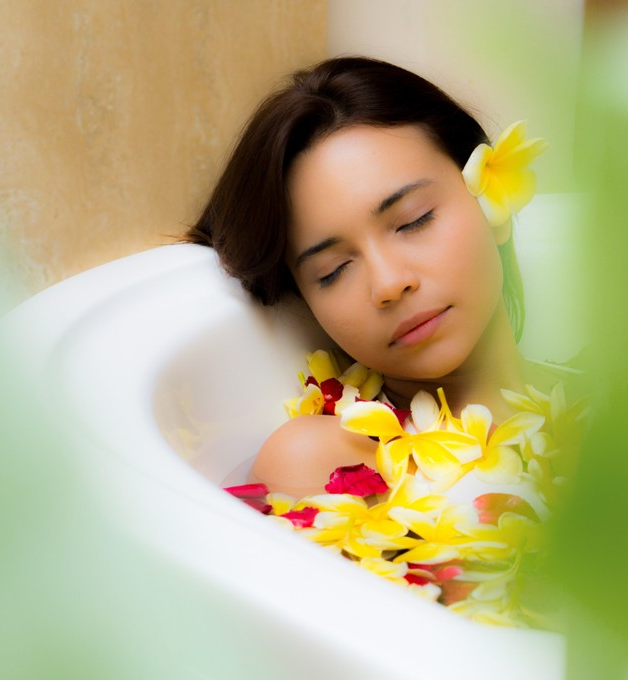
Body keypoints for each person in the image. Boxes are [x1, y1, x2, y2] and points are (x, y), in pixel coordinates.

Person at [187, 57, 580, 626]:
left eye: (414, 220)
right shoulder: (320, 460)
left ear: (491, 199)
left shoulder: (625, 410)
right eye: (332, 270)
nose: (390, 282)